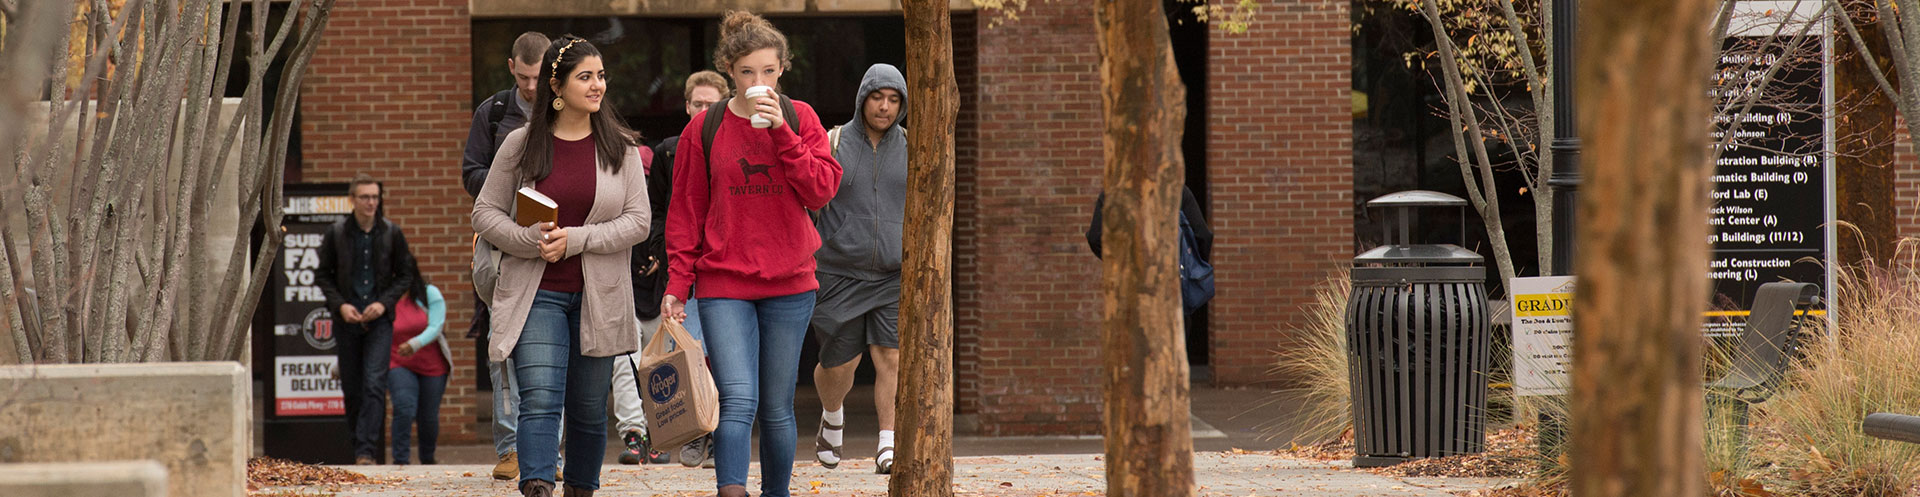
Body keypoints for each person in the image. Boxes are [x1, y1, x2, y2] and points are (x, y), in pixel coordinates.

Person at [662, 11, 841, 497]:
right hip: (724, 283)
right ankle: (731, 491)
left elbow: (821, 190)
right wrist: (678, 286)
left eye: (767, 71)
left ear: (782, 68)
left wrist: (782, 132)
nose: (757, 81)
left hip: (791, 283)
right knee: (737, 398)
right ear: (729, 72)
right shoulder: (705, 128)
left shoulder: (802, 118)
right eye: (746, 72)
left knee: (778, 405)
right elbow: (686, 212)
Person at [473, 35, 650, 497]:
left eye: (601, 76)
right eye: (585, 76)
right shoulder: (520, 144)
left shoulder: (622, 147)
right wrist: (529, 241)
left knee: (590, 408)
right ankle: (536, 486)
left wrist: (576, 240)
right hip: (536, 294)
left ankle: (580, 489)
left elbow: (639, 222)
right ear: (557, 85)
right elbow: (485, 213)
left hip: (600, 296)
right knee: (541, 400)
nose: (597, 86)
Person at [609, 70, 728, 468]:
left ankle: (717, 434)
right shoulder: (667, 152)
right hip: (682, 270)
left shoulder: (735, 148)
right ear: (687, 105)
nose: (703, 110)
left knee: (721, 355)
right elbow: (657, 211)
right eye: (697, 103)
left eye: (711, 104)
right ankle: (696, 433)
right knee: (688, 352)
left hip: (727, 267)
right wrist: (664, 251)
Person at [809, 63, 908, 475]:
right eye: (877, 97)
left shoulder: (912, 146)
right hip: (837, 271)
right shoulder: (833, 142)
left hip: (891, 273)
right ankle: (832, 415)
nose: (884, 107)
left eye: (893, 100)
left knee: (891, 356)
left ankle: (888, 442)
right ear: (862, 98)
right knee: (838, 364)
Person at [462, 30, 550, 481]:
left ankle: (549, 452)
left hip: (554, 248)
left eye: (541, 77)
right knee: (504, 347)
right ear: (511, 67)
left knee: (555, 352)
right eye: (526, 76)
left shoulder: (567, 110)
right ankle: (510, 447)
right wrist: (507, 187)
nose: (533, 87)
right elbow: (471, 173)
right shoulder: (493, 112)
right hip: (502, 247)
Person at [314, 173, 416, 465]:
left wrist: (384, 304)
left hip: (379, 321)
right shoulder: (336, 234)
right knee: (352, 385)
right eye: (365, 197)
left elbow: (405, 274)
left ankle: (365, 452)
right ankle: (359, 444)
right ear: (353, 200)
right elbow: (323, 275)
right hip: (347, 319)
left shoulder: (391, 233)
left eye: (375, 197)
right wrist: (341, 305)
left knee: (374, 382)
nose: (371, 202)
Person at [388, 261, 452, 465]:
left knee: (428, 416)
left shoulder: (428, 293)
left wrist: (415, 344)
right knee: (404, 406)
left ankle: (427, 458)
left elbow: (436, 326)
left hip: (432, 365)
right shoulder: (385, 298)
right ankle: (400, 460)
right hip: (398, 362)